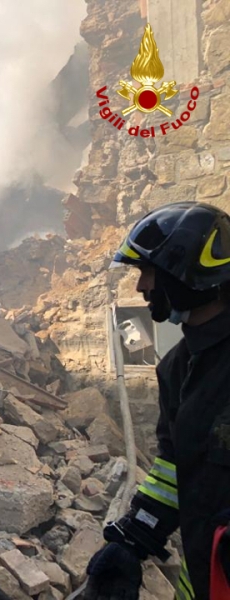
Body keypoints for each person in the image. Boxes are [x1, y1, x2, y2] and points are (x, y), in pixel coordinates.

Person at [84, 201, 230, 600]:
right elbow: (173, 462)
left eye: (147, 271)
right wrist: (134, 537)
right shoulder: (177, 369)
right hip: (205, 577)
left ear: (184, 272)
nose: (141, 286)